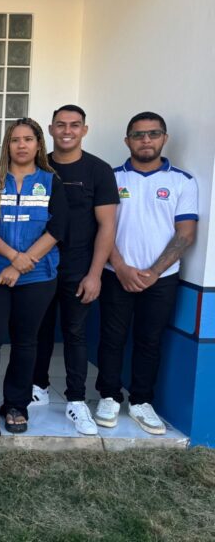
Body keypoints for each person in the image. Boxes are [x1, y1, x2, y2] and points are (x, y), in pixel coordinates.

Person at [95, 112, 197, 435]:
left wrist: (153, 272)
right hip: (115, 273)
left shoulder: (182, 181)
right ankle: (109, 396)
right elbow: (101, 227)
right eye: (138, 135)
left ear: (164, 138)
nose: (146, 140)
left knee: (150, 340)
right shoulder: (111, 178)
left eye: (153, 133)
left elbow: (186, 234)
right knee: (112, 338)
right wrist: (121, 267)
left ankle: (141, 401)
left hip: (162, 279)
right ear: (127, 141)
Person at [0, 118, 68, 436]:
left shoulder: (51, 182)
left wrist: (21, 264)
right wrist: (13, 258)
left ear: (39, 144)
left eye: (28, 139)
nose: (21, 145)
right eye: (15, 140)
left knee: (27, 343)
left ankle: (16, 405)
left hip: (37, 276)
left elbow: (57, 229)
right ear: (6, 145)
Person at [29, 105, 119, 435]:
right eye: (61, 125)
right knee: (37, 330)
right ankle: (37, 386)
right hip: (39, 265)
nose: (67, 130)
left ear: (84, 130)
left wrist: (95, 273)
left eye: (74, 125)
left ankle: (76, 399)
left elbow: (107, 226)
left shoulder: (98, 170)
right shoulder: (39, 166)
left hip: (79, 268)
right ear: (51, 129)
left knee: (75, 333)